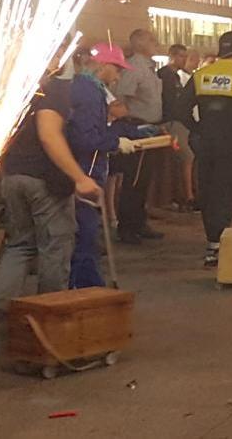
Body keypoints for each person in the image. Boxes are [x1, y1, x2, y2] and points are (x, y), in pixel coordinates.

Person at [0, 56, 101, 349]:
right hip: (44, 181)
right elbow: (49, 134)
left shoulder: (18, 86)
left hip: (14, 176)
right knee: (56, 248)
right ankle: (46, 328)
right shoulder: (53, 88)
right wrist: (79, 177)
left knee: (20, 246)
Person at [176, 31, 232, 267]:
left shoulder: (201, 76)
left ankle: (212, 242)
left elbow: (180, 109)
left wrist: (198, 128)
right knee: (225, 192)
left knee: (206, 190)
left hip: (206, 143)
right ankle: (219, 241)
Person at [67, 44, 138, 288]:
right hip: (86, 169)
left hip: (86, 166)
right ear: (105, 65)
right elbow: (85, 137)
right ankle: (86, 288)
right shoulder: (89, 92)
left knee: (84, 232)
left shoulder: (86, 87)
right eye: (117, 69)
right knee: (85, 232)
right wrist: (114, 141)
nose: (118, 76)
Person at [112, 28, 164, 244]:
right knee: (134, 180)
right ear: (140, 44)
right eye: (151, 40)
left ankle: (139, 222)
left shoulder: (150, 68)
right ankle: (127, 226)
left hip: (150, 127)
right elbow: (121, 97)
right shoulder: (134, 68)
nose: (156, 43)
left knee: (144, 180)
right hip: (136, 128)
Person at [159, 44, 195, 211]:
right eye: (181, 56)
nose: (184, 59)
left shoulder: (176, 77)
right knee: (186, 157)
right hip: (171, 121)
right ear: (172, 56)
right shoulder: (165, 75)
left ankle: (184, 194)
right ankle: (188, 196)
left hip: (180, 122)